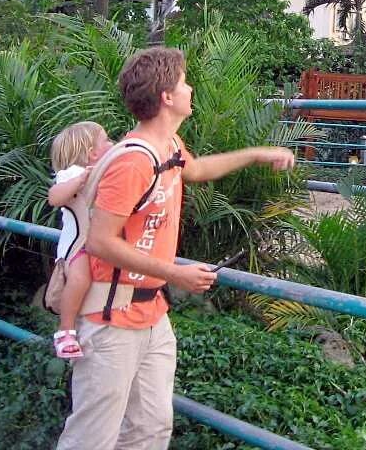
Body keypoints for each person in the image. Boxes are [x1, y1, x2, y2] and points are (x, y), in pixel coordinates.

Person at [56, 47, 295, 450]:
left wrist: (256, 154)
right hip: (112, 318)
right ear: (167, 96)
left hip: (152, 316)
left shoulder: (169, 146)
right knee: (92, 439)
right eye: (184, 82)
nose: (191, 88)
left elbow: (197, 170)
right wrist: (176, 273)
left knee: (149, 432)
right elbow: (101, 241)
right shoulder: (133, 162)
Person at [47, 120, 113, 359]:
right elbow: (54, 197)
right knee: (80, 276)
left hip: (99, 243)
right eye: (106, 140)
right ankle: (65, 330)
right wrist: (79, 181)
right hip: (78, 246)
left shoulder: (106, 170)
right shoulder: (73, 173)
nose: (111, 143)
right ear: (91, 153)